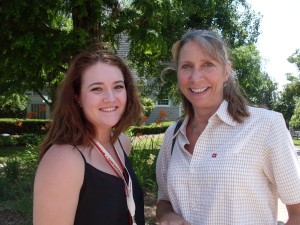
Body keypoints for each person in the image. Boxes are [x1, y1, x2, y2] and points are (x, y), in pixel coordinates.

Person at [156, 29, 300, 225]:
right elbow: (163, 200)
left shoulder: (266, 126)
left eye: (208, 65)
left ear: (226, 71)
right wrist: (167, 216)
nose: (195, 77)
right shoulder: (172, 135)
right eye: (187, 66)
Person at [33, 50, 145, 225]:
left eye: (118, 86)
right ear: (77, 97)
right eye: (97, 88)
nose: (110, 98)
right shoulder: (64, 159)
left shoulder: (122, 142)